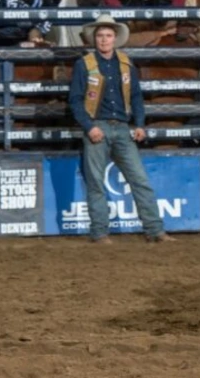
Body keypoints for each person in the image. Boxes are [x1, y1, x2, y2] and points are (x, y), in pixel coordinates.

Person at [69, 14, 174, 244]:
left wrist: (139, 123)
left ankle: (155, 230)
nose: (104, 40)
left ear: (114, 38)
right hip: (98, 127)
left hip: (122, 127)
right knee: (97, 182)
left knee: (139, 180)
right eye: (100, 36)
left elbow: (136, 96)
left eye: (107, 36)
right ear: (94, 39)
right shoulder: (84, 65)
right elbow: (75, 101)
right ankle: (100, 232)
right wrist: (89, 126)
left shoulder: (126, 64)